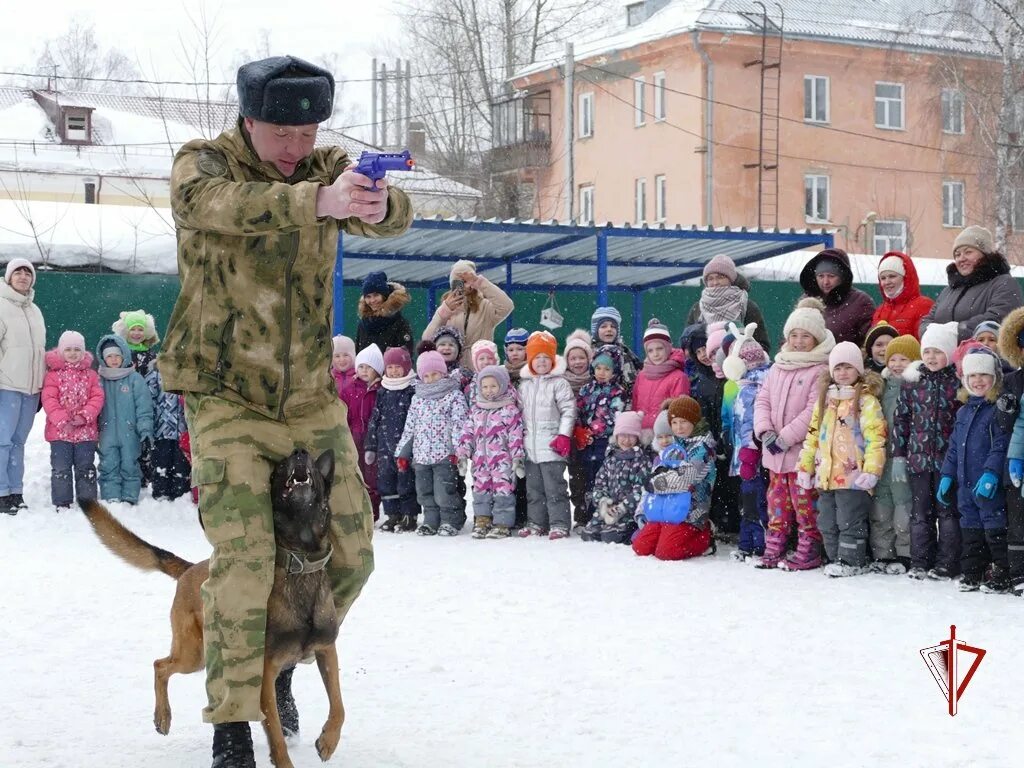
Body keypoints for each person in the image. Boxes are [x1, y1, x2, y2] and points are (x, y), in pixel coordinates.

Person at [159, 54, 413, 764]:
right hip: (225, 393)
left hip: (308, 397)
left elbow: (394, 220)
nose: (298, 147)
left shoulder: (325, 165)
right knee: (245, 557)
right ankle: (234, 720)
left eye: (308, 133)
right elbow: (211, 207)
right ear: (248, 119)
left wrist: (373, 199)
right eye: (282, 132)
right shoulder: (202, 164)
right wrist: (318, 202)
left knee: (354, 552)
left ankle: (286, 661)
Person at [753, 298, 834, 570]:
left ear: (817, 338)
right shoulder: (778, 366)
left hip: (801, 455)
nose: (799, 341)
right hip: (774, 453)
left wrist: (786, 437)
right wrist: (765, 430)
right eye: (794, 335)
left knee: (805, 505)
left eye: (805, 336)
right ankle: (775, 542)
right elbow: (762, 400)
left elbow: (814, 409)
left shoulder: (820, 369)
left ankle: (809, 545)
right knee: (777, 502)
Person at [797, 342, 886, 577]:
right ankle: (834, 557)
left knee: (849, 520)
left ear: (858, 370)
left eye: (848, 367)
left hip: (853, 476)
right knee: (827, 521)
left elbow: (875, 437)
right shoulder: (825, 401)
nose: (843, 373)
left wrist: (872, 470)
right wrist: (805, 467)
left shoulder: (866, 401)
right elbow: (813, 435)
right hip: (825, 476)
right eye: (838, 368)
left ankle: (851, 560)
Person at [891, 321, 962, 580]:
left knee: (948, 513)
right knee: (920, 513)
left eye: (938, 351)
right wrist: (899, 455)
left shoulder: (957, 381)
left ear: (950, 353)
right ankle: (921, 561)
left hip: (947, 461)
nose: (932, 357)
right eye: (928, 351)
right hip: (918, 460)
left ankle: (947, 563)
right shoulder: (912, 380)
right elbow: (902, 418)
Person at [941, 348, 1009, 592]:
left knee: (994, 528)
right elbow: (953, 448)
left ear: (994, 378)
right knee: (970, 529)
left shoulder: (996, 409)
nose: (978, 381)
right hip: (965, 483)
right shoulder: (963, 411)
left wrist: (991, 472)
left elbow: (1001, 444)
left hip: (987, 483)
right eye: (972, 376)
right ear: (965, 380)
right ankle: (972, 573)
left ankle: (1002, 573)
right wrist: (947, 475)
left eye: (983, 375)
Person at [632, 396, 717, 560]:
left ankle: (705, 537)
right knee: (641, 546)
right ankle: (668, 534)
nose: (679, 428)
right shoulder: (675, 445)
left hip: (691, 511)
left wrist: (656, 482)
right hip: (668, 507)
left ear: (694, 421)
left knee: (666, 552)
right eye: (675, 423)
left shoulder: (703, 447)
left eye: (684, 422)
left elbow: (687, 478)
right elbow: (661, 468)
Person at [396, 350, 469, 536]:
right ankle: (431, 520)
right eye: (426, 375)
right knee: (424, 491)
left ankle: (450, 519)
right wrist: (403, 453)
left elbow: (459, 424)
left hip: (444, 454)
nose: (430, 379)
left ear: (443, 373)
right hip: (421, 456)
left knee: (444, 490)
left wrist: (457, 450)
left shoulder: (453, 396)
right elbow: (410, 427)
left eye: (435, 374)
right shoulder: (417, 398)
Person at [920, 225, 1024, 342]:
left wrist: (953, 332)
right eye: (957, 254)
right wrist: (932, 331)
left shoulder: (1003, 283)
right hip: (944, 358)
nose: (961, 258)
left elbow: (997, 319)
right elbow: (926, 321)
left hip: (984, 356)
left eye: (968, 252)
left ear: (985, 255)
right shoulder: (949, 291)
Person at [456, 365, 525, 540]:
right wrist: (463, 453)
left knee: (503, 490)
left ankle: (502, 523)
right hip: (480, 461)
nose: (489, 391)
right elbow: (467, 433)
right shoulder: (477, 409)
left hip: (502, 460)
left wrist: (517, 457)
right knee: (481, 489)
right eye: (485, 387)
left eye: (493, 386)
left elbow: (515, 435)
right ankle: (482, 520)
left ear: (502, 385)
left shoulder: (509, 410)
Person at [721, 322, 771, 561]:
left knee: (754, 498)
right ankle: (747, 542)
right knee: (749, 498)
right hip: (747, 453)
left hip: (753, 454)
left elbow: (752, 421)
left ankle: (757, 543)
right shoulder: (746, 384)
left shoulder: (753, 386)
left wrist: (750, 450)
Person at [519, 331, 575, 539]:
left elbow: (569, 410)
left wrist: (563, 435)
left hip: (552, 446)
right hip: (530, 448)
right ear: (530, 360)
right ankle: (536, 522)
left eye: (545, 357)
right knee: (534, 491)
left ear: (552, 360)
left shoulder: (559, 383)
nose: (541, 362)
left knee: (555, 489)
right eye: (537, 358)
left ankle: (559, 523)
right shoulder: (525, 385)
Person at [871, 335, 920, 574]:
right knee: (881, 506)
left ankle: (905, 552)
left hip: (905, 457)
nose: (897, 364)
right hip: (882, 457)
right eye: (893, 359)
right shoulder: (881, 387)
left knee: (904, 506)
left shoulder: (916, 388)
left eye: (904, 359)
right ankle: (883, 552)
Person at [0, 258, 45, 515]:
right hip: (7, 385)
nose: (23, 276)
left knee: (19, 442)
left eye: (28, 273)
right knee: (2, 442)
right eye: (17, 272)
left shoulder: (35, 310)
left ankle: (15, 491)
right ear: (8, 277)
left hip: (31, 389)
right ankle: (1, 492)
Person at [41, 330, 103, 509]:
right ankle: (62, 501)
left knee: (86, 468)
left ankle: (88, 501)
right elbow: (49, 399)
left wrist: (84, 416)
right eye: (68, 349)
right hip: (60, 433)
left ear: (83, 352)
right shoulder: (53, 375)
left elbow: (97, 397)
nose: (73, 353)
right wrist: (61, 420)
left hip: (86, 432)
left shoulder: (90, 375)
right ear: (61, 352)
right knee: (61, 469)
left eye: (77, 349)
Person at [96, 335, 154, 505]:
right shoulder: (99, 380)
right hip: (106, 432)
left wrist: (144, 428)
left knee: (130, 464)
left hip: (130, 431)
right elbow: (93, 408)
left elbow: (144, 407)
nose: (113, 360)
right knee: (108, 465)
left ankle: (130, 495)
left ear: (124, 356)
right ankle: (110, 495)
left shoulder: (134, 379)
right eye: (109, 356)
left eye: (117, 356)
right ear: (103, 358)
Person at [366, 347, 419, 533]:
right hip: (384, 446)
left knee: (406, 481)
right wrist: (371, 446)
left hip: (405, 446)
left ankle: (409, 515)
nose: (394, 371)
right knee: (386, 482)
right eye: (390, 367)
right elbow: (375, 418)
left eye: (398, 367)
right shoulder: (383, 391)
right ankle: (392, 514)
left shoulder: (412, 390)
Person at [422, 260, 514, 367]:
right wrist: (444, 312)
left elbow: (507, 306)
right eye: (458, 282)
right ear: (452, 284)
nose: (463, 286)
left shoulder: (484, 306)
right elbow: (427, 339)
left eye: (466, 281)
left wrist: (479, 282)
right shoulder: (447, 307)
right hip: (454, 372)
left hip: (480, 368)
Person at [575, 344, 627, 525]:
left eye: (607, 369)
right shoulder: (586, 390)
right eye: (598, 368)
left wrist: (598, 430)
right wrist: (580, 430)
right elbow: (579, 412)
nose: (602, 372)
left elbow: (617, 417)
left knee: (605, 478)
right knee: (587, 478)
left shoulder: (618, 392)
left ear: (615, 370)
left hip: (606, 442)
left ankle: (605, 514)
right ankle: (589, 514)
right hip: (587, 442)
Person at [580, 410, 651, 544]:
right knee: (589, 533)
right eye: (622, 435)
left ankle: (628, 530)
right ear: (616, 436)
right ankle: (606, 521)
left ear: (637, 438)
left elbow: (640, 490)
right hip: (608, 508)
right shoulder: (610, 458)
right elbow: (600, 483)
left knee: (611, 536)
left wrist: (622, 508)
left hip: (628, 511)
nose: (626, 440)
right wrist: (603, 502)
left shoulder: (642, 460)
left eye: (631, 436)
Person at [685, 254, 771, 350]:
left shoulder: (747, 306)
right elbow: (688, 343)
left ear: (731, 279)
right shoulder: (698, 308)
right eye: (710, 278)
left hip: (739, 362)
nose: (715, 282)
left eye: (720, 277)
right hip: (705, 362)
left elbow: (762, 344)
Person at [798, 248, 876, 347]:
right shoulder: (806, 301)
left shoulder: (860, 301)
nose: (825, 282)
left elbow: (869, 342)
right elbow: (791, 334)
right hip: (807, 361)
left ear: (842, 277)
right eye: (821, 276)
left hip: (845, 361)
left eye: (831, 276)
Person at [997, 309, 1024, 596]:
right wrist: (1005, 408)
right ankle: (1018, 573)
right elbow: (1006, 424)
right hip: (1017, 462)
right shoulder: (1013, 380)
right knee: (1017, 522)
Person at [344, 343, 384, 520]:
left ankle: (373, 512)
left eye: (369, 367)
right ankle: (357, 510)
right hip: (354, 437)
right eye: (361, 366)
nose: (364, 371)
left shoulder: (381, 390)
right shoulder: (349, 389)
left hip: (373, 439)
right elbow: (342, 412)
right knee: (355, 475)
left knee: (372, 477)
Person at [631, 319, 689, 442]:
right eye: (650, 351)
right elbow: (635, 405)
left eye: (659, 349)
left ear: (668, 348)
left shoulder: (679, 377)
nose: (655, 354)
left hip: (665, 438)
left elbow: (678, 411)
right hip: (641, 438)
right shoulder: (641, 375)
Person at [146, 360, 193, 501]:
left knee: (181, 463)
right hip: (162, 429)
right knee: (161, 461)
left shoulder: (187, 375)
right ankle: (161, 491)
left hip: (183, 430)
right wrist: (150, 422)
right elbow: (149, 400)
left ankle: (181, 492)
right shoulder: (155, 375)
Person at [563, 329, 594, 527]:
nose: (577, 362)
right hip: (571, 437)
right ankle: (581, 514)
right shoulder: (561, 382)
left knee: (593, 477)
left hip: (592, 438)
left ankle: (593, 514)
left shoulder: (595, 380)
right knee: (576, 478)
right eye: (572, 358)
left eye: (581, 357)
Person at [871, 251, 933, 339]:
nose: (887, 282)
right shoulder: (880, 311)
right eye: (883, 278)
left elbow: (926, 344)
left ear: (905, 277)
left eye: (892, 276)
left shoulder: (923, 306)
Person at [355, 271, 414, 354]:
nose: (372, 300)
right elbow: (358, 354)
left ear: (384, 296)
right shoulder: (363, 324)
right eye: (368, 296)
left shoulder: (399, 323)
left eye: (376, 295)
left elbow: (405, 357)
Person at [590, 307, 642, 394]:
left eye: (613, 326)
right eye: (603, 326)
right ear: (595, 330)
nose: (609, 329)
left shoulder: (625, 354)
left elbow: (633, 381)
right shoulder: (588, 353)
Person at [112, 309, 160, 376]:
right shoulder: (118, 352)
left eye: (140, 330)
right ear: (125, 331)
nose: (136, 333)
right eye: (132, 329)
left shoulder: (151, 355)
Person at [330, 335, 356, 400]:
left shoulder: (358, 377)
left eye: (346, 355)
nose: (342, 359)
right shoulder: (329, 377)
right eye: (337, 356)